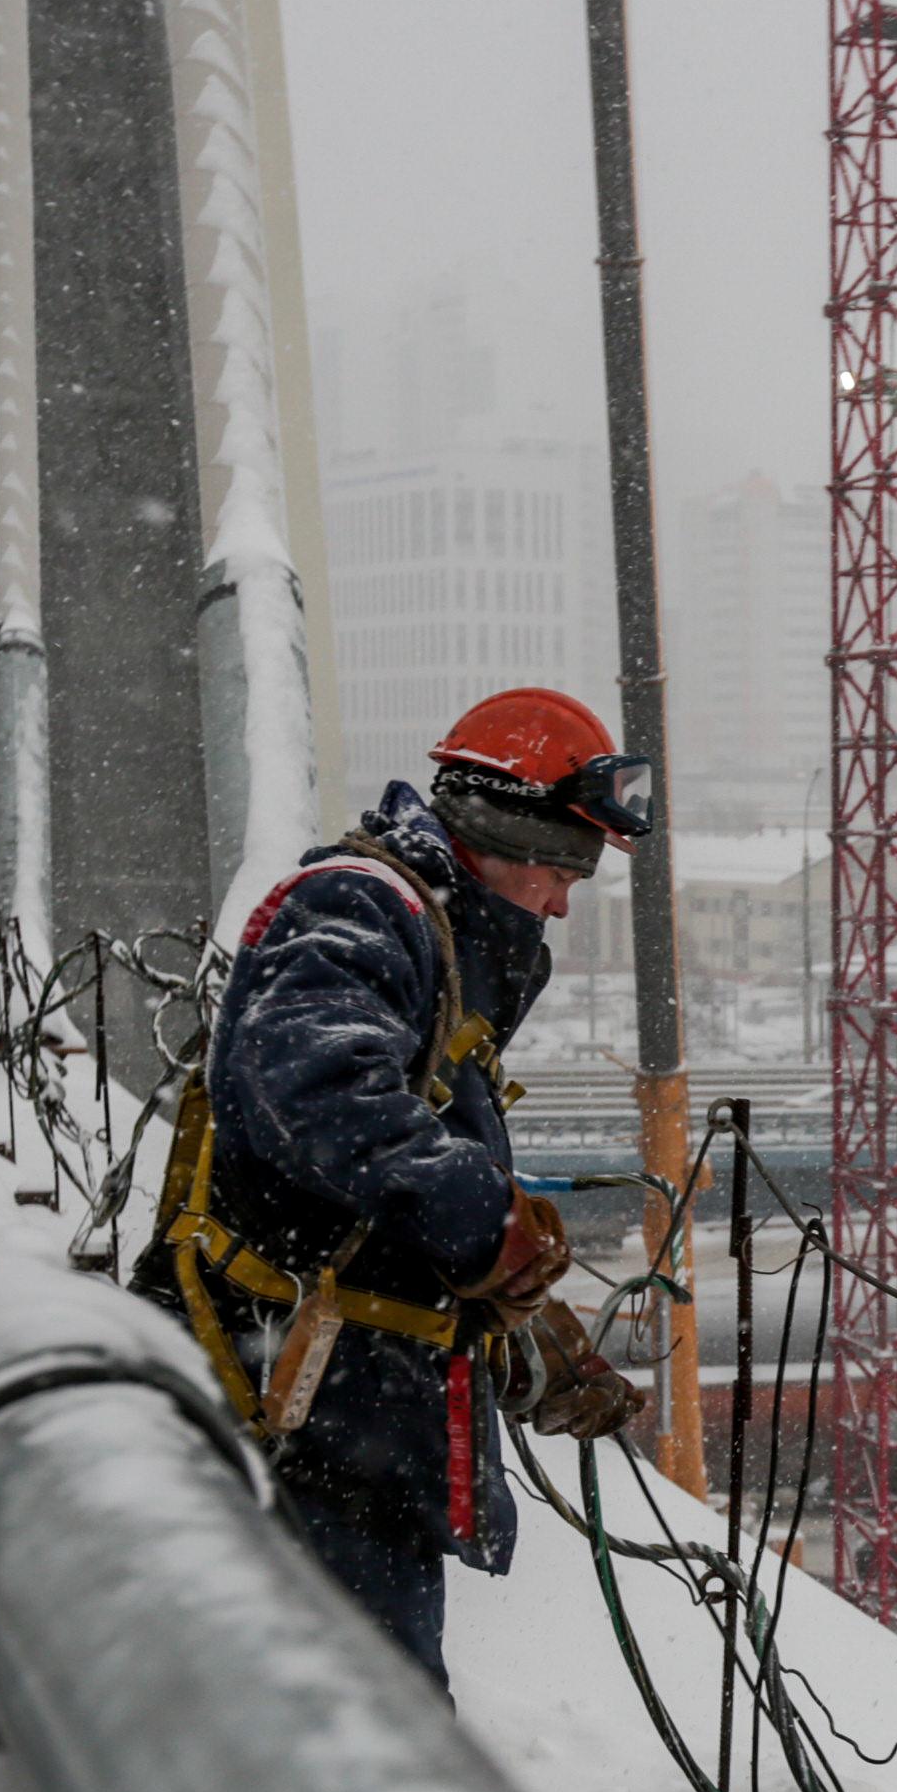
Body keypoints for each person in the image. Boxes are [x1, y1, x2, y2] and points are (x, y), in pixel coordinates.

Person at [136, 687, 649, 1688]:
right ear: (500, 833)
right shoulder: (362, 904)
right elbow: (320, 1094)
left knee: (358, 1707)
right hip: (300, 1408)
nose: (559, 901)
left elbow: (378, 1166)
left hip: (347, 1411)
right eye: (562, 866)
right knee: (361, 1719)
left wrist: (515, 1327)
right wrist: (487, 1225)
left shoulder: (431, 937)